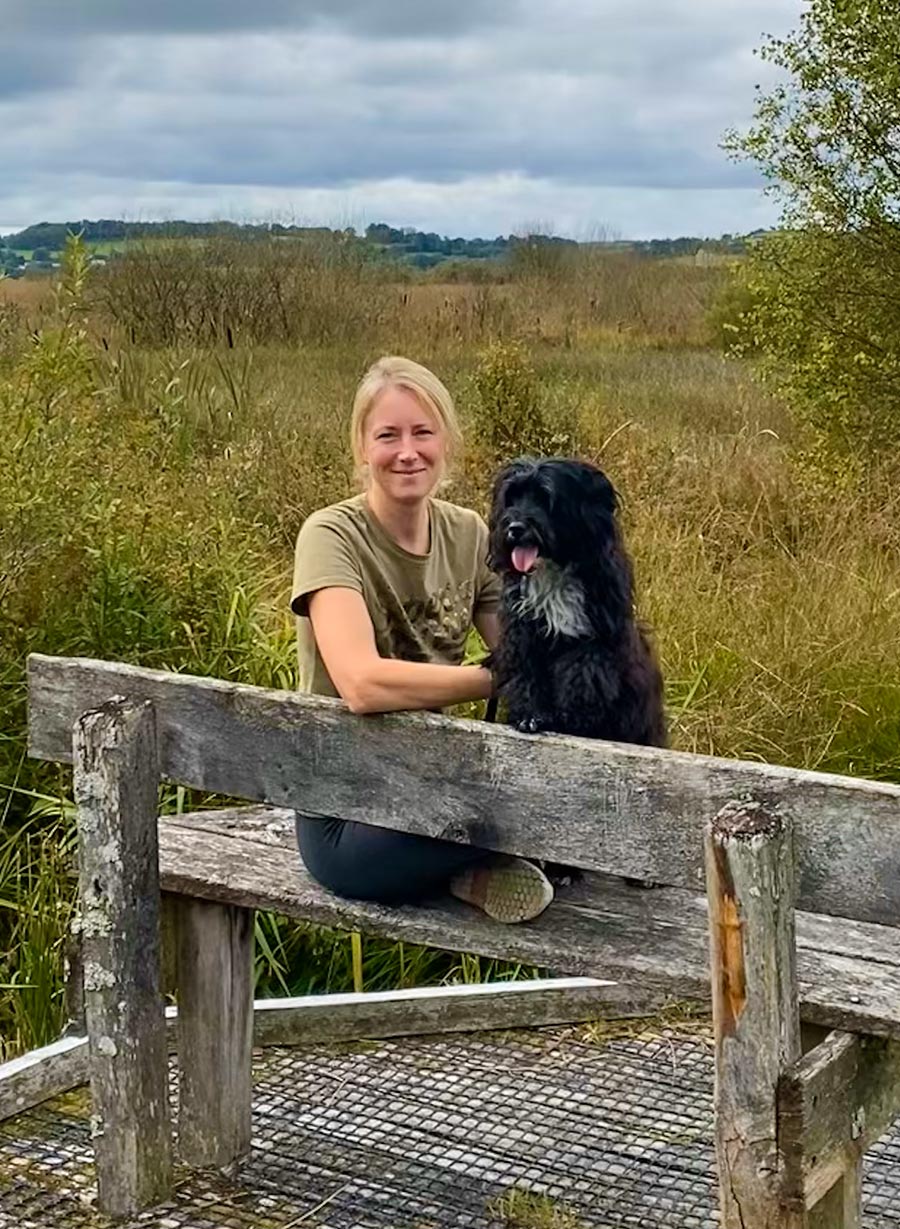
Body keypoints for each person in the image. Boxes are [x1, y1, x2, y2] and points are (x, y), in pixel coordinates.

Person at [290, 355, 554, 924]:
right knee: (521, 818)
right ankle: (469, 865)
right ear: (362, 447)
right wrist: (496, 677)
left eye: (422, 433)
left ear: (445, 443)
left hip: (435, 780)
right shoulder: (330, 535)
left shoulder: (470, 533)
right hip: (347, 810)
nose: (407, 451)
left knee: (553, 801)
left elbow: (524, 646)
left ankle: (463, 868)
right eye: (388, 435)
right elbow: (360, 684)